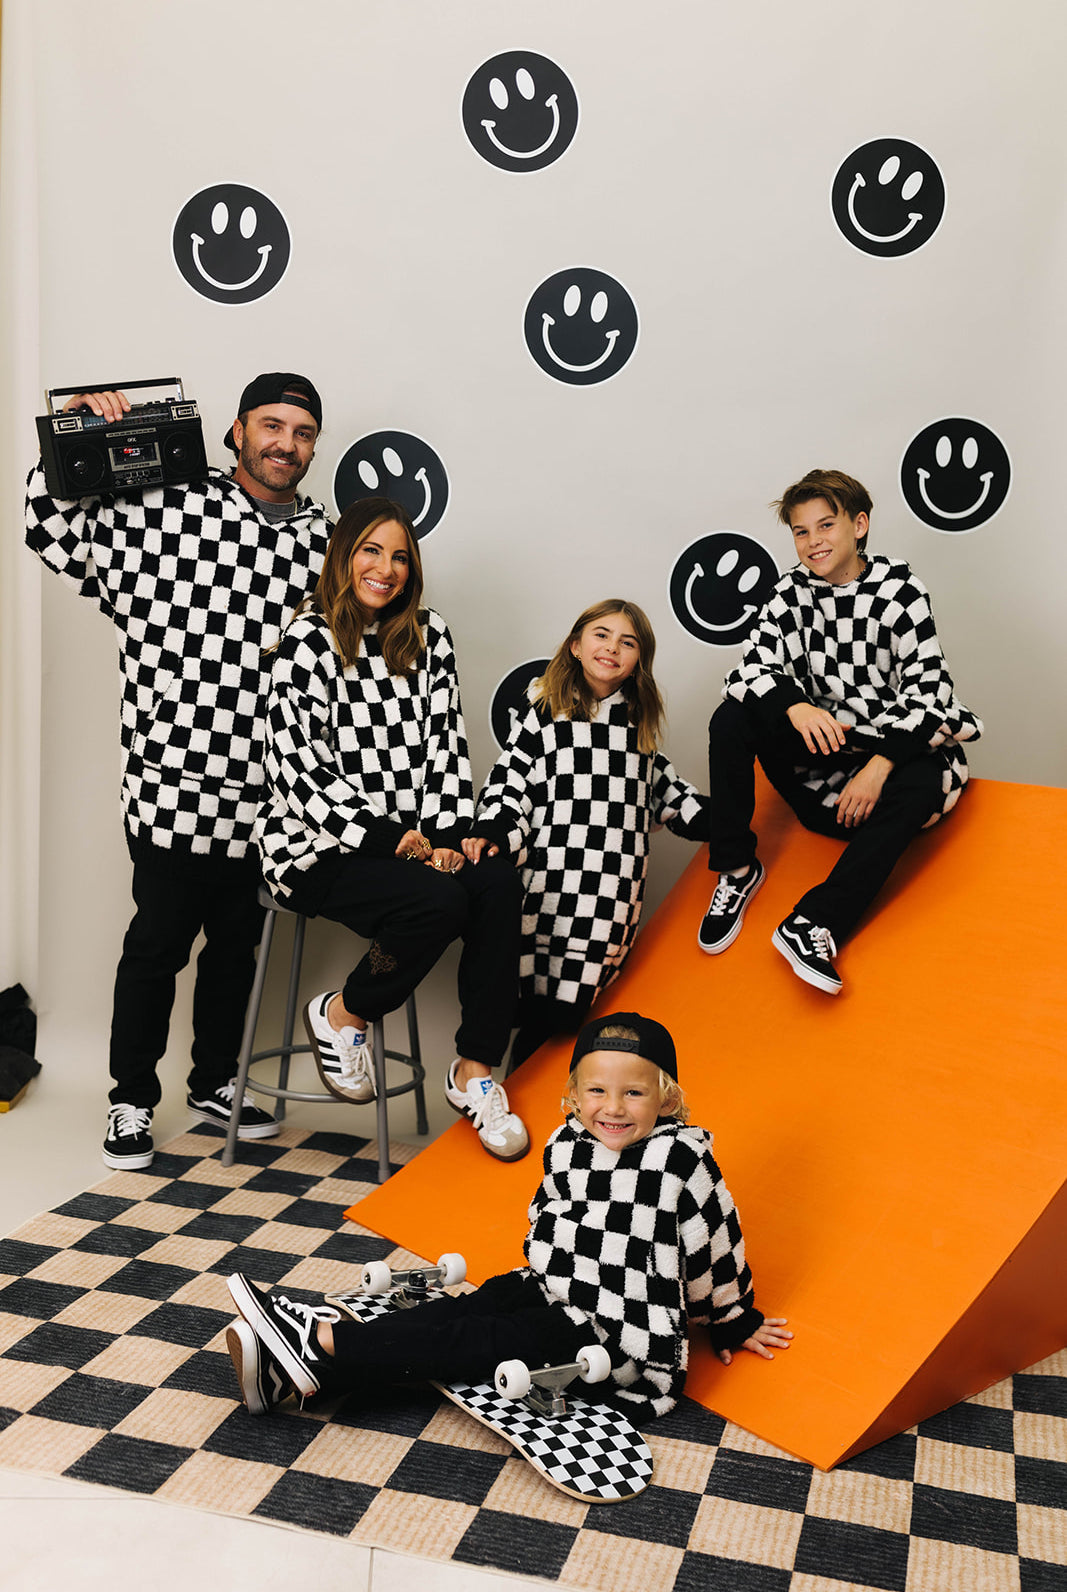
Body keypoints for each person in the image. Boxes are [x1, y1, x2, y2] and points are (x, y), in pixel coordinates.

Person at [25, 374, 331, 1169]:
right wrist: (79, 430)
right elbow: (48, 519)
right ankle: (130, 1097)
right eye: (271, 426)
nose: (285, 445)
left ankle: (214, 1079)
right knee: (157, 943)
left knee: (237, 948)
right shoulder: (165, 499)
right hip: (171, 778)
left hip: (270, 793)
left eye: (301, 433)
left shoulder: (324, 542)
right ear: (235, 431)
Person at [224, 1010, 791, 1421]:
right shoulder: (569, 1142)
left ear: (665, 1098)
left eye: (634, 1094)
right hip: (550, 1287)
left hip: (612, 1331)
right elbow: (550, 1215)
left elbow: (712, 1241)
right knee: (467, 1310)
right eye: (596, 1090)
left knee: (480, 1340)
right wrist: (544, 1273)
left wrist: (733, 1320)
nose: (612, 1108)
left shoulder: (680, 1160)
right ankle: (289, 1371)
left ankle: (320, 1341)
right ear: (573, 1093)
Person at [255, 495, 528, 1161]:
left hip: (414, 840)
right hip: (316, 843)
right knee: (435, 901)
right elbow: (296, 766)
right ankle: (345, 1011)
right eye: (372, 551)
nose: (387, 567)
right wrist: (389, 839)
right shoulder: (307, 640)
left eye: (400, 555)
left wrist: (440, 838)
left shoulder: (429, 636)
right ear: (343, 557)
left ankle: (475, 1071)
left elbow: (446, 747)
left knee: (493, 883)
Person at [698, 468, 982, 994]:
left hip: (878, 752)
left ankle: (815, 923)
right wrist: (797, 708)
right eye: (801, 532)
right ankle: (736, 869)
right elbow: (750, 669)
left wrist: (879, 767)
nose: (813, 542)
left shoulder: (899, 589)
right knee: (732, 716)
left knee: (927, 775)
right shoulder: (789, 592)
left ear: (859, 524)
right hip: (820, 753)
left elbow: (930, 690)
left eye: (825, 526)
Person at [470, 600, 709, 1069]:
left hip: (608, 901)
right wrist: (496, 829)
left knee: (570, 1023)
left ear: (639, 659)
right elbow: (511, 780)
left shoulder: (638, 729)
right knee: (527, 1010)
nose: (613, 648)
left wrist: (715, 818)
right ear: (576, 646)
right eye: (602, 635)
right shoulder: (545, 715)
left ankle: (557, 1110)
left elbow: (664, 790)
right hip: (549, 892)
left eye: (628, 641)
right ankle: (509, 1100)